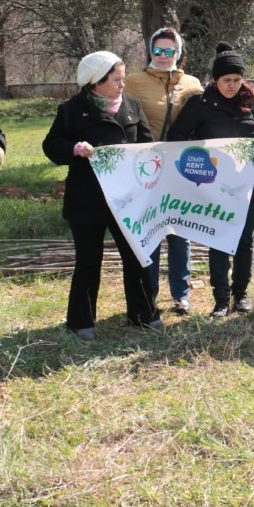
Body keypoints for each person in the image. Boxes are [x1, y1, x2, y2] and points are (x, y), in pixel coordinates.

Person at [42, 51, 162, 339]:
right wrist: (74, 149)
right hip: (87, 200)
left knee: (136, 256)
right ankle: (81, 322)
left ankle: (143, 314)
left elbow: (146, 144)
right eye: (117, 79)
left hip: (128, 199)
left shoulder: (132, 104)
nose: (123, 85)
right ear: (95, 82)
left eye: (123, 78)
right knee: (88, 261)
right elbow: (52, 145)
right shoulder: (71, 109)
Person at [169, 43, 254, 318]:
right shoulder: (200, 103)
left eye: (237, 80)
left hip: (248, 183)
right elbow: (176, 137)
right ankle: (220, 297)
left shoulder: (253, 99)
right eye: (226, 80)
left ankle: (241, 293)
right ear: (215, 80)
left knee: (244, 240)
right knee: (218, 239)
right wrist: (200, 153)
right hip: (212, 185)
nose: (232, 85)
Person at [124, 27, 204, 315]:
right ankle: (149, 294)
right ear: (150, 51)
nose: (162, 56)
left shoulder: (193, 84)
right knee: (151, 231)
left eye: (169, 51)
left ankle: (181, 294)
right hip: (146, 168)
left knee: (179, 232)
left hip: (181, 169)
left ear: (179, 53)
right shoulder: (133, 81)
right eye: (157, 50)